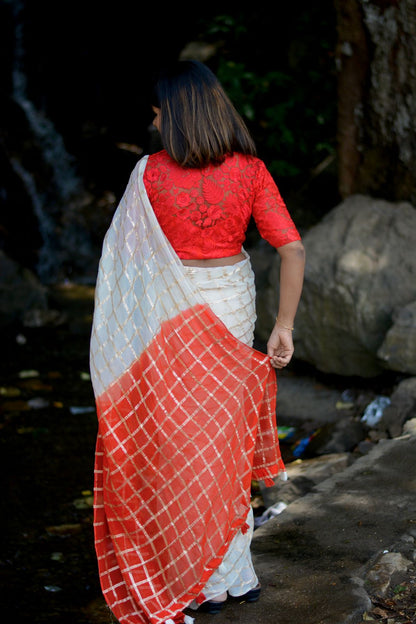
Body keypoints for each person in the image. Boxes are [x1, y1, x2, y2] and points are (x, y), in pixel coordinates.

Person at [89, 60, 305, 624]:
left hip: (173, 310)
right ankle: (235, 578)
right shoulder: (251, 171)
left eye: (158, 110)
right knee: (224, 439)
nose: (154, 121)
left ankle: (192, 581)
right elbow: (293, 249)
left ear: (178, 114)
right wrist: (283, 326)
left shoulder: (149, 175)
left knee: (177, 442)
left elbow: (129, 266)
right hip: (232, 307)